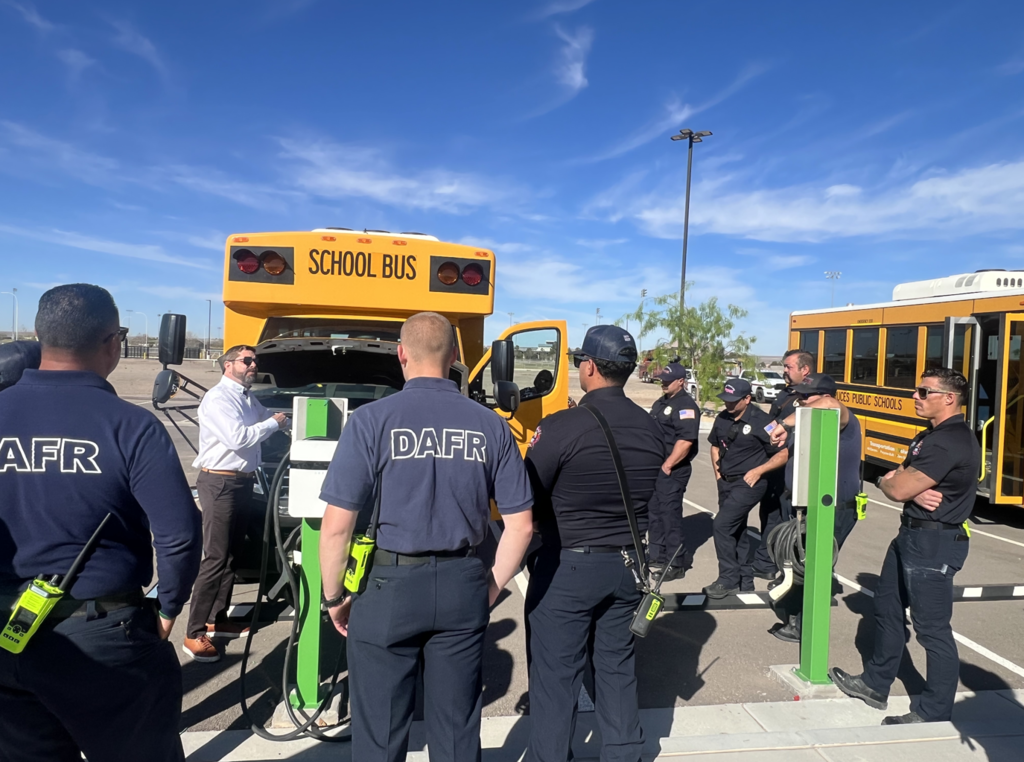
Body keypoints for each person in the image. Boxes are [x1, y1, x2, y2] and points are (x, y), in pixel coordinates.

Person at [318, 311, 534, 762]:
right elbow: (521, 525)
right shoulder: (489, 424)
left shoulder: (371, 420)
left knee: (379, 733)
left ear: (401, 353)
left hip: (388, 586)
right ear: (454, 357)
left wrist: (335, 596)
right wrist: (490, 587)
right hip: (462, 583)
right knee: (456, 733)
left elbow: (337, 525)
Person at [0, 284, 202, 762]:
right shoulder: (130, 425)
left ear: (38, 334)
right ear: (113, 342)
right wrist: (168, 608)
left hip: (8, 633)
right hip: (104, 636)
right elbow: (179, 534)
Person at [523, 325, 664, 762]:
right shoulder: (650, 427)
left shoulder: (562, 426)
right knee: (617, 669)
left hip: (567, 566)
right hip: (626, 565)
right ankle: (624, 753)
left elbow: (526, 495)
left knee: (555, 679)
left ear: (588, 368)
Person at [829, 368, 980, 725]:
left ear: (949, 398)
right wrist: (889, 479)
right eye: (917, 390)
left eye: (924, 392)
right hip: (911, 535)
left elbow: (898, 489)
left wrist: (896, 483)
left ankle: (934, 711)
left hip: (934, 543)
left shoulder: (950, 441)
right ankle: (875, 684)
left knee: (932, 630)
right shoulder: (928, 437)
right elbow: (893, 478)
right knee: (887, 609)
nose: (915, 396)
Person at [182, 344, 288, 662]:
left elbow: (266, 417)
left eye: (255, 360)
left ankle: (219, 617)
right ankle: (194, 632)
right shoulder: (218, 398)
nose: (253, 365)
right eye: (247, 360)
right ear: (228, 365)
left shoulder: (245, 396)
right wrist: (275, 423)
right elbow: (239, 437)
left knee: (232, 555)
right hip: (220, 482)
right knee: (215, 557)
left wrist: (285, 421)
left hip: (242, 482)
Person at [766, 372, 862, 642]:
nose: (801, 401)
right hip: (805, 505)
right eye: (799, 396)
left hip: (834, 508)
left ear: (826, 395)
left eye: (807, 397)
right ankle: (797, 614)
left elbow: (830, 406)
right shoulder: (809, 422)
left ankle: (805, 627)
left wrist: (786, 422)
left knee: (814, 567)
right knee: (801, 562)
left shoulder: (841, 418)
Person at [704, 378, 788, 599]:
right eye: (725, 400)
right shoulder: (722, 418)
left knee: (721, 526)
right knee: (736, 530)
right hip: (726, 481)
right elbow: (714, 444)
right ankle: (744, 581)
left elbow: (783, 453)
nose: (728, 405)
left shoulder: (764, 421)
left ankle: (727, 580)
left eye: (733, 401)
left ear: (747, 399)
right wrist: (717, 473)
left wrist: (760, 470)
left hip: (750, 483)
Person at [752, 350, 815, 579]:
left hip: (790, 466)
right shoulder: (786, 393)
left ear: (804, 369)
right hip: (774, 462)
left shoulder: (811, 398)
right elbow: (773, 421)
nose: (784, 371)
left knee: (782, 518)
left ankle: (772, 564)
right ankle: (767, 560)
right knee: (768, 512)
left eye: (788, 367)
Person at [647, 362, 700, 581]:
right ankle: (657, 556)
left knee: (670, 517)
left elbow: (686, 441)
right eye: (662, 380)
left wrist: (668, 465)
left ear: (681, 381)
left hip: (672, 469)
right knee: (655, 514)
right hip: (657, 468)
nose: (664, 384)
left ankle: (676, 563)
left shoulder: (685, 406)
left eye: (668, 381)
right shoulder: (662, 402)